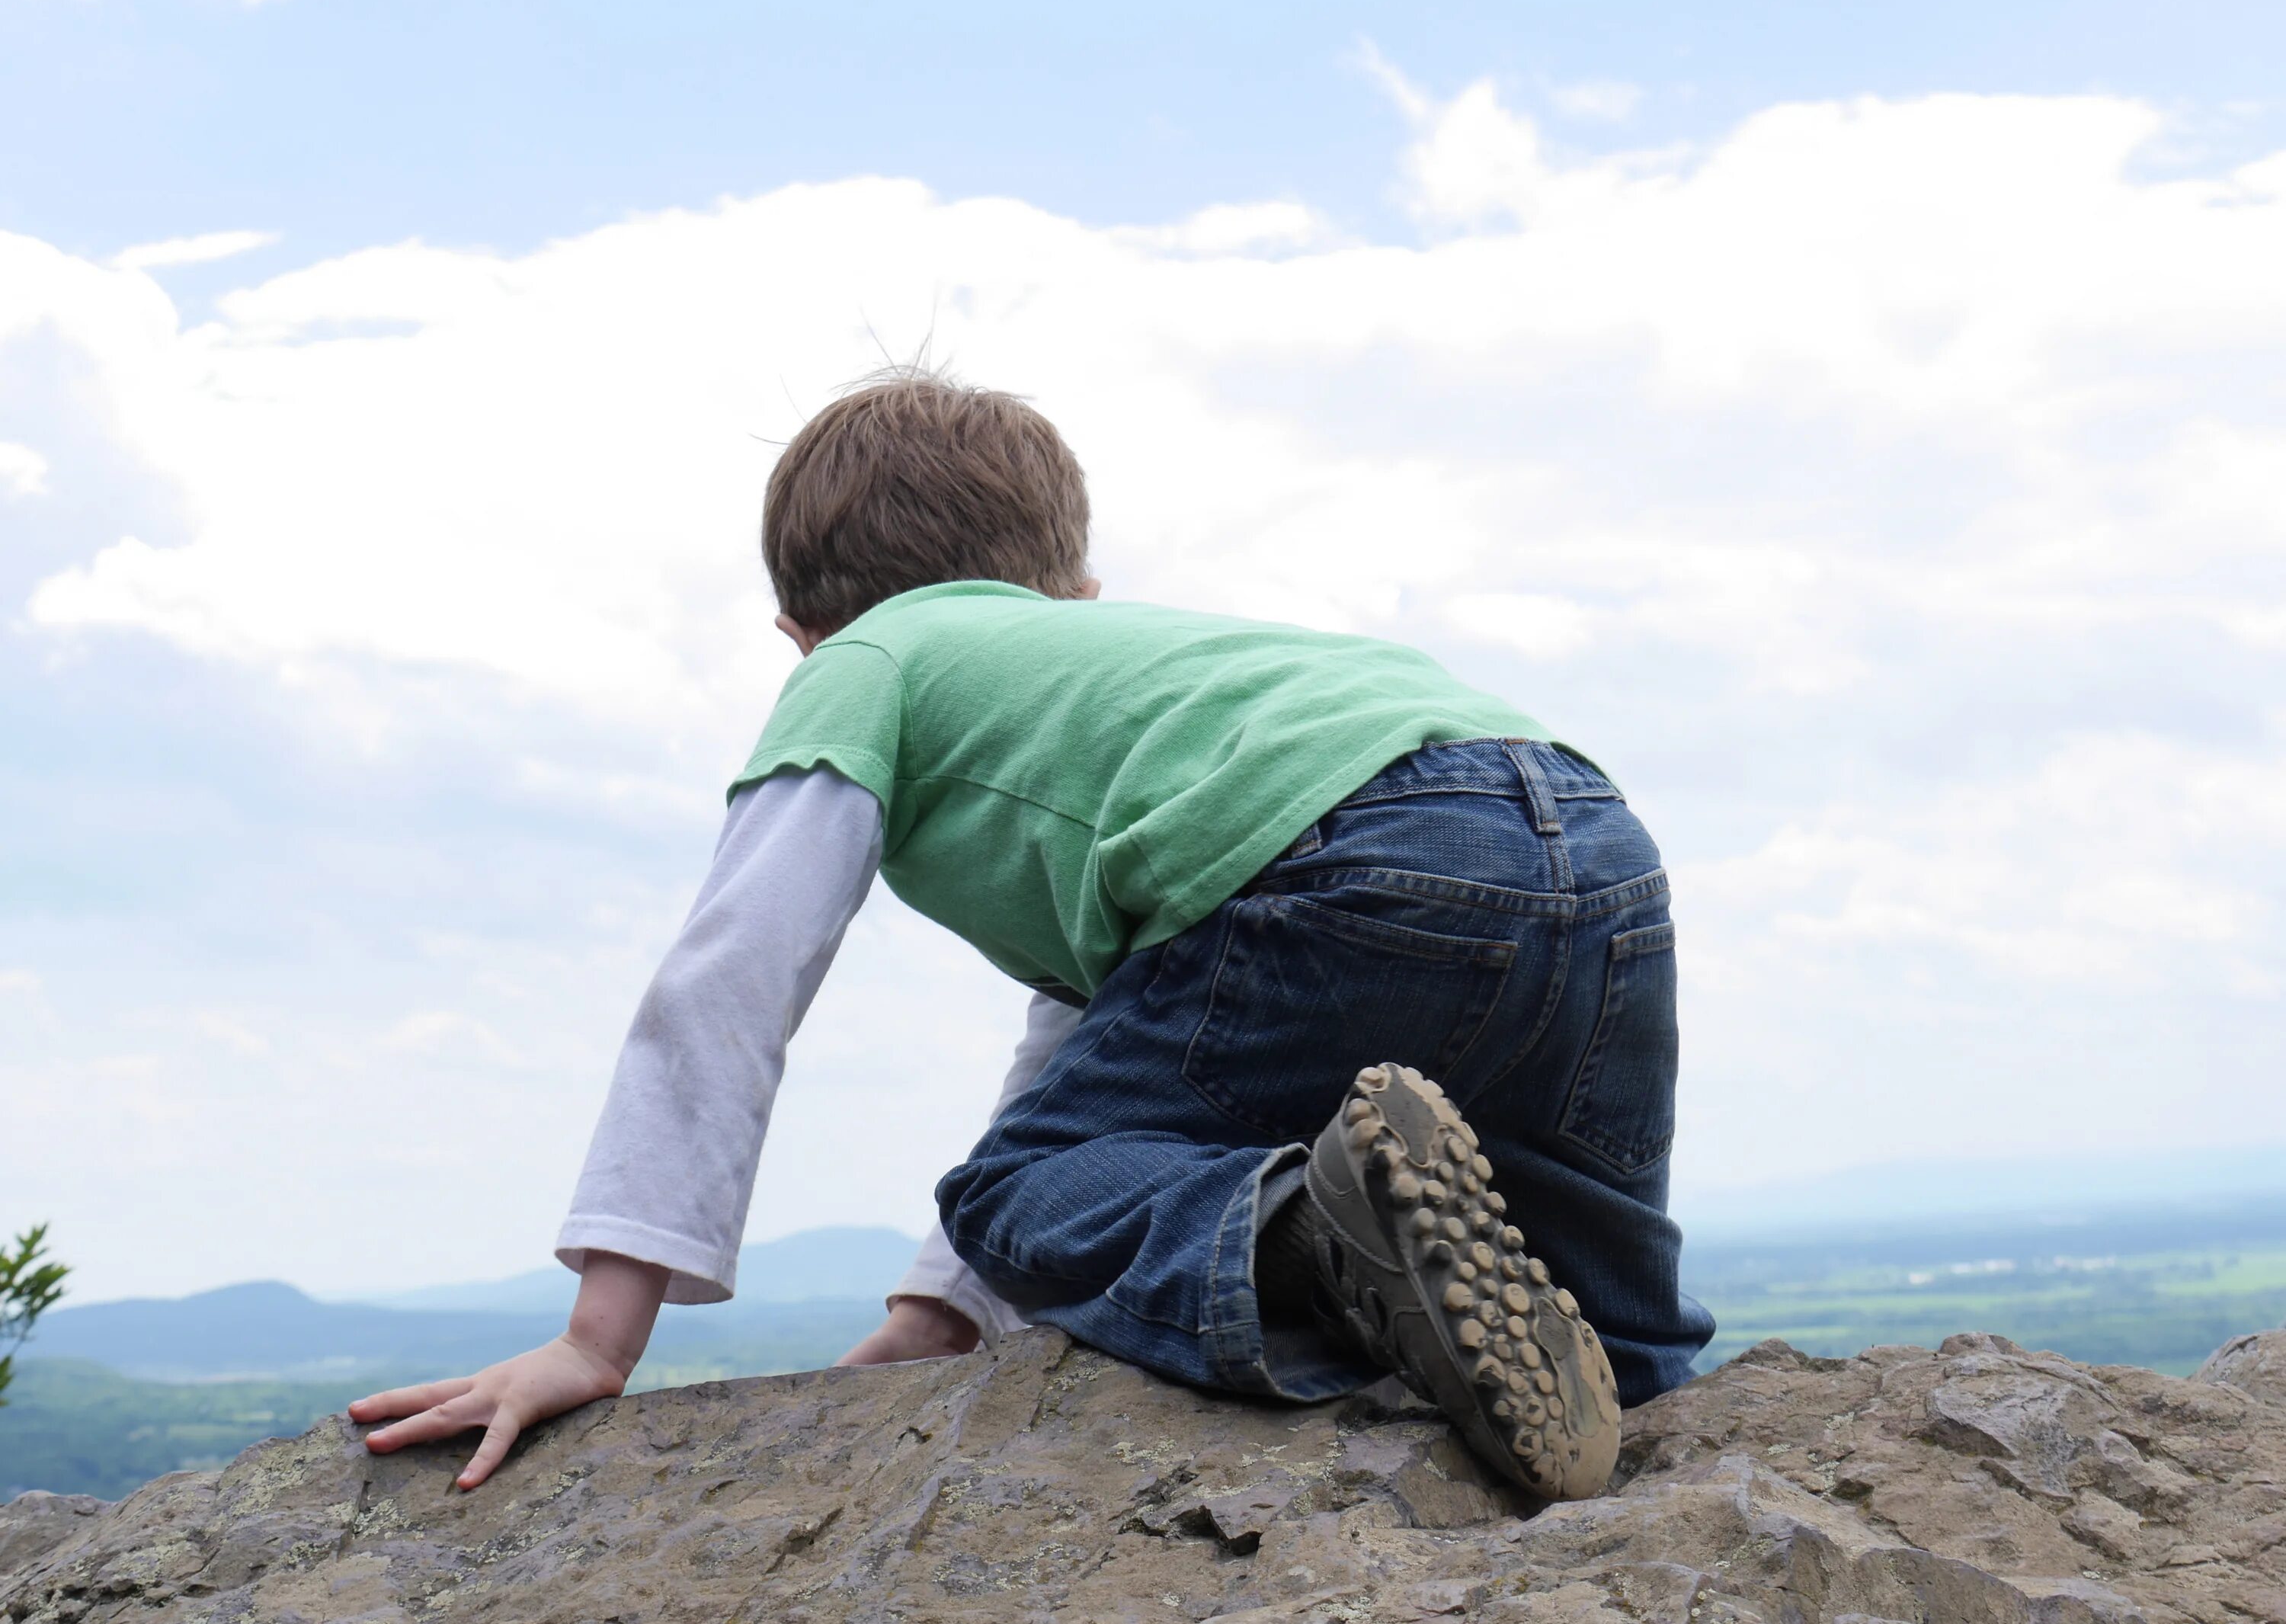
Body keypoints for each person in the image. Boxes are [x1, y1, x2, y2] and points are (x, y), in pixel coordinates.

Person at [350, 372, 1714, 1501]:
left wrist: (600, 1338)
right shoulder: (1144, 670)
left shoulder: (867, 661)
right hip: (1586, 837)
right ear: (1070, 584)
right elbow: (1095, 1038)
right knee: (1616, 1337)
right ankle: (1613, 1380)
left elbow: (730, 979)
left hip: (1343, 854)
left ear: (797, 632)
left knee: (1006, 1197)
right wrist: (935, 1321)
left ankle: (1316, 1232)